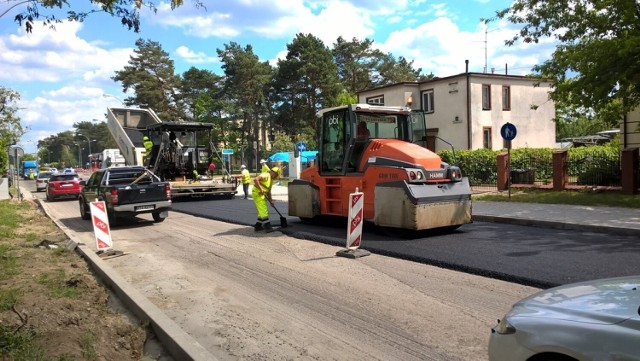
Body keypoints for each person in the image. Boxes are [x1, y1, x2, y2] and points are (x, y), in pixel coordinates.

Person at [252, 166, 281, 232]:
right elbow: (255, 179)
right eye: (276, 175)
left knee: (261, 212)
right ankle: (267, 227)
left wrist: (271, 201)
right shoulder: (266, 175)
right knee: (263, 210)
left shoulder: (271, 180)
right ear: (274, 173)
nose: (276, 177)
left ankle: (257, 226)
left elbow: (269, 191)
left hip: (262, 194)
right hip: (257, 194)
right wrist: (260, 189)